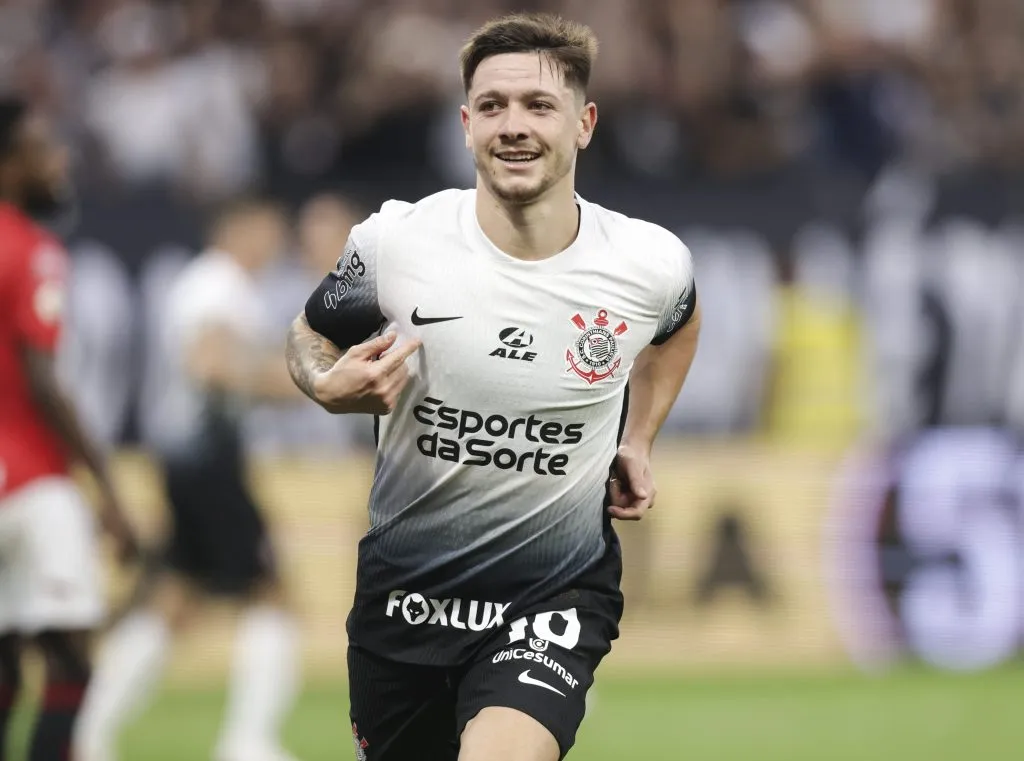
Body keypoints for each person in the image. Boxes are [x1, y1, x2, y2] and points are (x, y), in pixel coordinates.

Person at [286, 12, 701, 761]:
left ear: (585, 122)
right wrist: (324, 383)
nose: (514, 125)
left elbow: (679, 324)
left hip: (553, 595)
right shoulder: (397, 243)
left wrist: (639, 437)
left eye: (539, 106)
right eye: (494, 106)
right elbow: (308, 333)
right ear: (466, 123)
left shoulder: (647, 263)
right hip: (405, 600)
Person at [75, 197, 304, 761]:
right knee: (270, 593)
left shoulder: (208, 283)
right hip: (205, 460)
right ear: (240, 228)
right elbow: (212, 364)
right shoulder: (218, 284)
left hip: (186, 458)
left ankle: (87, 732)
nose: (276, 242)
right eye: (269, 228)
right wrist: (310, 383)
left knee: (173, 599)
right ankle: (247, 742)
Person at [0, 96, 138, 761]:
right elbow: (42, 379)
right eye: (43, 149)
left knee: (3, 663)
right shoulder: (29, 249)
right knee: (70, 661)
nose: (58, 162)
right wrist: (108, 489)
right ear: (11, 163)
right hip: (29, 477)